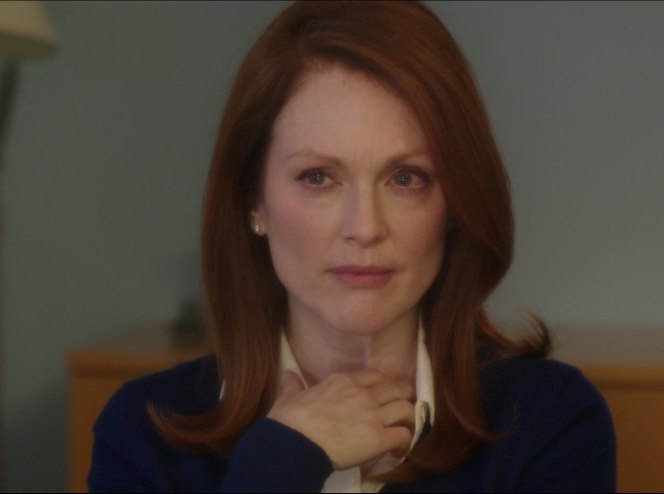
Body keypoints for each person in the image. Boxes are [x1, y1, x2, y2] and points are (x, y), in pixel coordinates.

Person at [89, 2, 616, 492]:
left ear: (455, 203)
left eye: (406, 178)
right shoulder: (143, 431)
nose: (365, 228)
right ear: (255, 200)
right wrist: (280, 463)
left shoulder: (551, 419)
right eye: (318, 177)